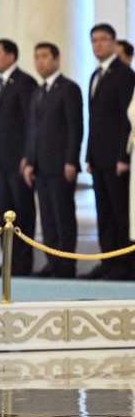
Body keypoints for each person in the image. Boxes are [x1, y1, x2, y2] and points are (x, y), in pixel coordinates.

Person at [23, 43, 83, 278]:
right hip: (40, 165)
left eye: (45, 56)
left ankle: (66, 264)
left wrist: (71, 160)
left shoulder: (68, 88)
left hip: (60, 164)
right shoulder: (38, 91)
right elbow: (32, 130)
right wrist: (29, 160)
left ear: (57, 60)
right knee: (47, 216)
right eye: (37, 57)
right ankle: (52, 261)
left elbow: (75, 128)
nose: (40, 61)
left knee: (63, 215)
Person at [83, 23, 135, 279]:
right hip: (99, 157)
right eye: (94, 40)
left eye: (103, 39)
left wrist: (123, 157)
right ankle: (107, 260)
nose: (98, 44)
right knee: (103, 213)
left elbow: (128, 119)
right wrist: (89, 156)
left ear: (114, 43)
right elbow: (94, 120)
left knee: (120, 213)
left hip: (117, 158)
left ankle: (124, 265)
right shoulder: (96, 75)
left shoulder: (124, 73)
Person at [0, 39, 38, 276]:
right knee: (4, 214)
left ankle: (23, 263)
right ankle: (7, 262)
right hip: (0, 161)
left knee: (22, 212)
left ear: (11, 56)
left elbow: (31, 123)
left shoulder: (25, 82)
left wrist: (28, 155)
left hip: (19, 160)